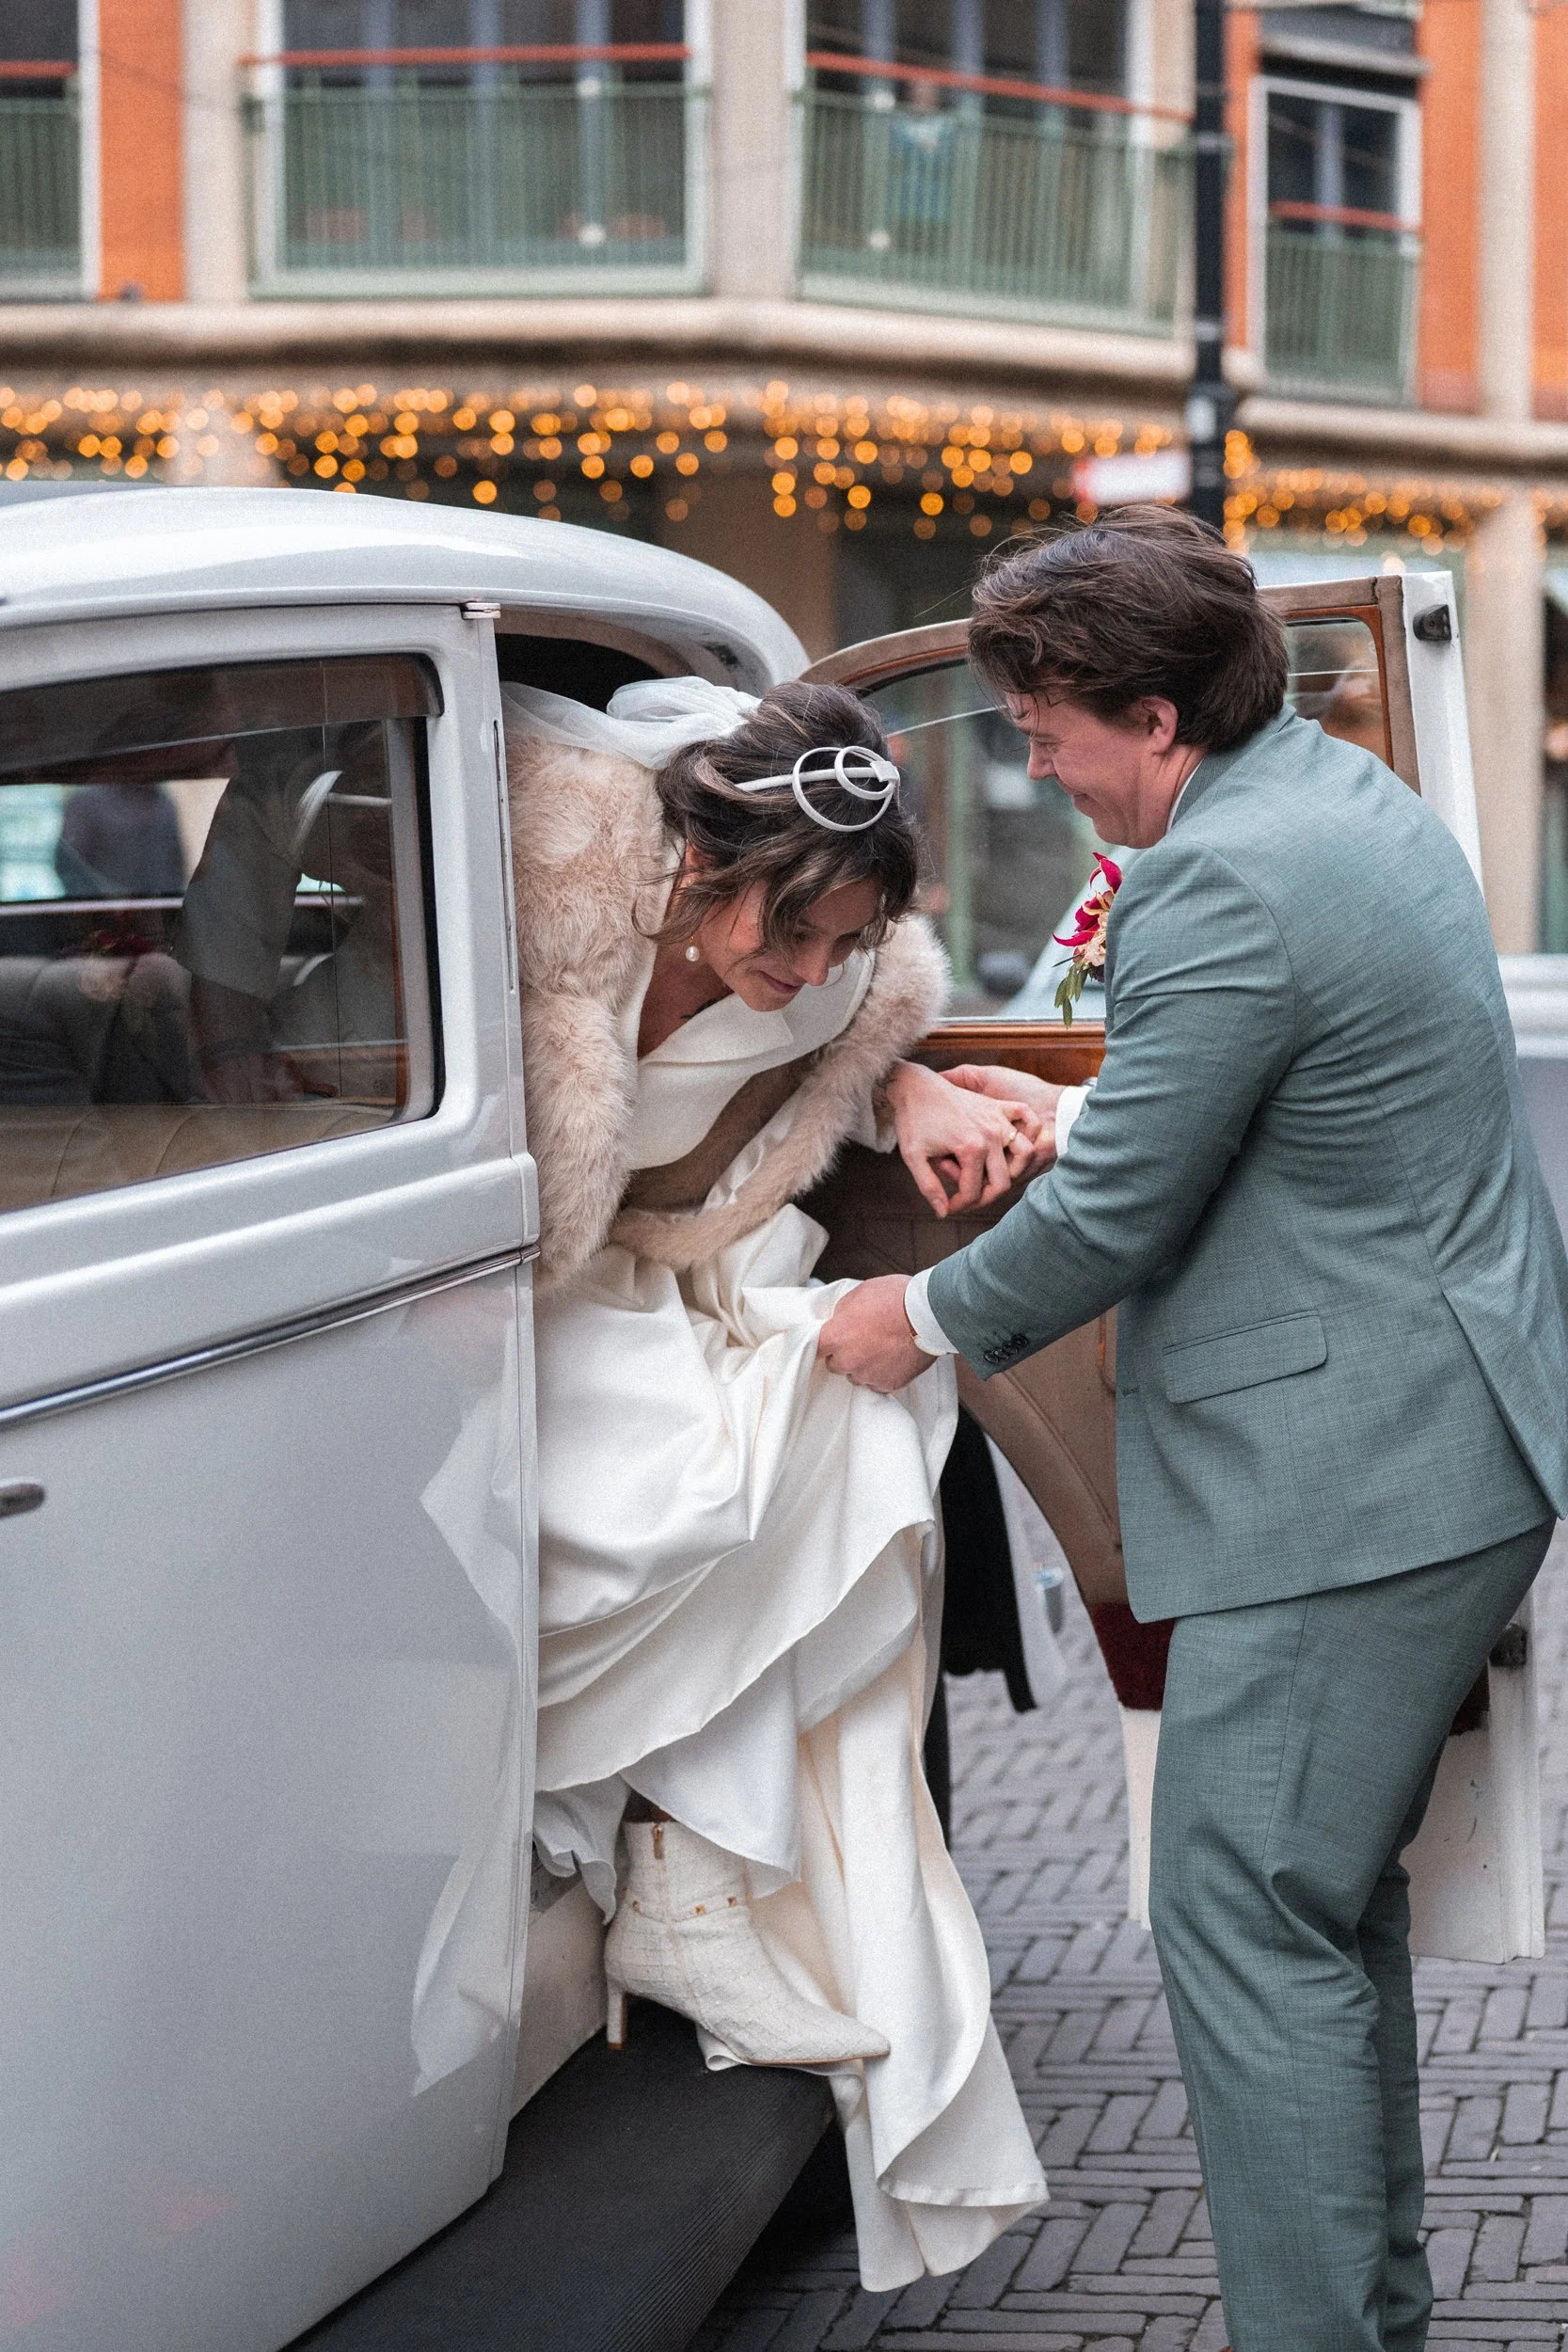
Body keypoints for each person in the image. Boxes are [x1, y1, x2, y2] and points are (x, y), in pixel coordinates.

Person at [818, 504, 1568, 2352]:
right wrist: (1075, 1106)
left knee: (1238, 1913)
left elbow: (1119, 1222)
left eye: (1045, 726)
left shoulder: (1215, 880)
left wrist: (907, 1313)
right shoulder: (1328, 794)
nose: (1033, 761)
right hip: (1432, 1431)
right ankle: (1360, 2315)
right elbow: (1270, 1106)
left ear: (1149, 717)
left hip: (1354, 1477)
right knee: (1313, 1912)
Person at [507, 673, 1049, 2292]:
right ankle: (670, 1881)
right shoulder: (541, 904)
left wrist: (906, 1076)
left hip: (629, 1288)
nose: (804, 973)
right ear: (697, 859)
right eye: (785, 932)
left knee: (866, 1412)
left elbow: (834, 1045)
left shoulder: (832, 986)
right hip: (495, 1311)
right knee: (740, 1466)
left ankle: (679, 1881)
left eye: (841, 946)